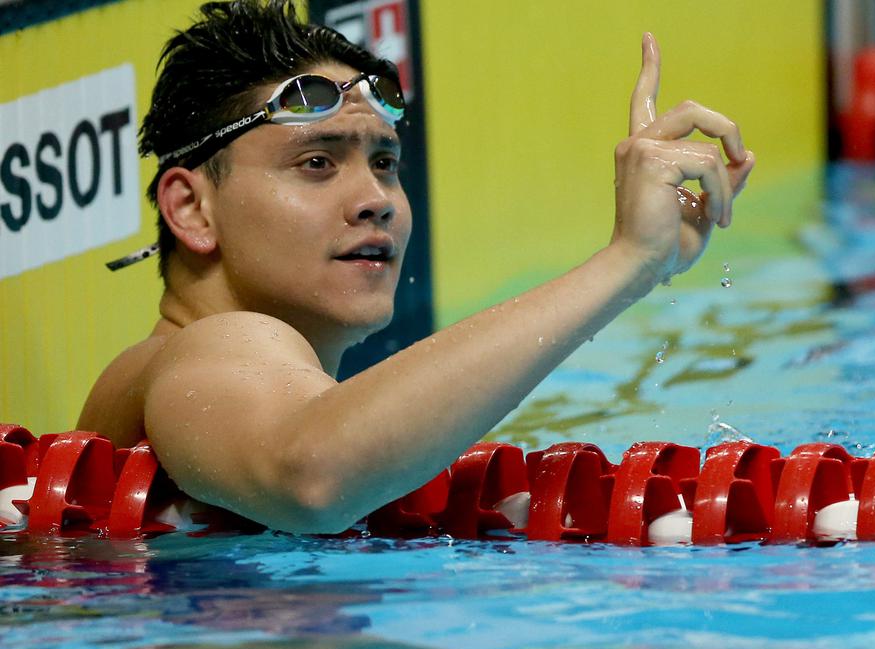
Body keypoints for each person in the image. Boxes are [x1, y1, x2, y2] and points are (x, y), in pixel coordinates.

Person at [77, 0, 754, 533]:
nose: (375, 200)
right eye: (316, 163)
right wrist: (628, 264)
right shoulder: (204, 351)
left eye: (384, 164)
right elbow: (313, 479)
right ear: (191, 209)